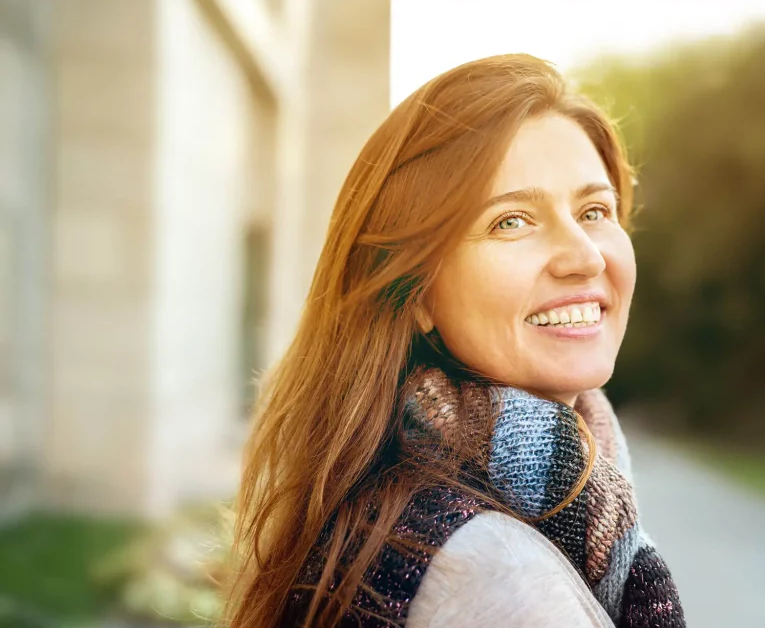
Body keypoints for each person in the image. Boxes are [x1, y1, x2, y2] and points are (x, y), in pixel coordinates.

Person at [223, 54, 685, 628]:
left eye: (594, 210)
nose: (585, 256)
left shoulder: (398, 503)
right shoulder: (496, 578)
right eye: (511, 221)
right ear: (417, 292)